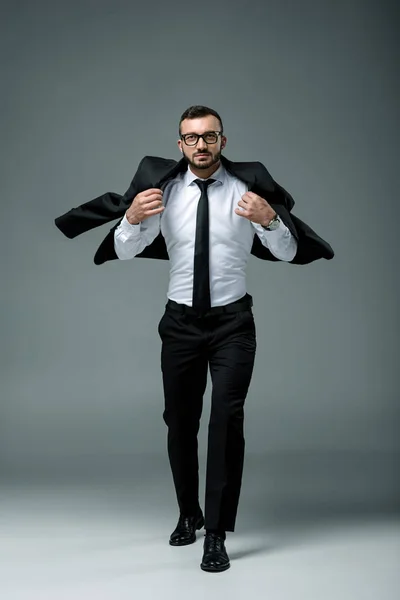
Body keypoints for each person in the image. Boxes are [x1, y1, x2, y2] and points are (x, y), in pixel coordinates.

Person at [55, 105, 334, 573]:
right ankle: (189, 513)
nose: (200, 145)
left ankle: (217, 535)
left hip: (233, 325)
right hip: (180, 325)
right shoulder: (160, 192)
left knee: (227, 421)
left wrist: (269, 220)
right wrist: (129, 218)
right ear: (179, 144)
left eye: (209, 137)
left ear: (223, 141)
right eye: (190, 138)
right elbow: (125, 250)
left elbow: (287, 253)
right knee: (179, 422)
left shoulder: (248, 190)